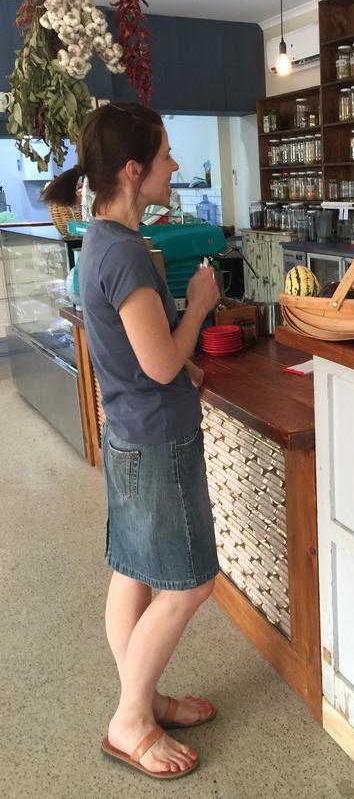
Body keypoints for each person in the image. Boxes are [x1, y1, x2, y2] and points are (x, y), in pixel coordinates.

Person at [43, 103, 221, 780]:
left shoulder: (102, 242)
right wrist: (200, 303)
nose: (175, 166)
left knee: (135, 570)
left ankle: (140, 700)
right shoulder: (127, 252)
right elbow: (161, 365)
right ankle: (130, 719)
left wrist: (182, 358)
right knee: (189, 584)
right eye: (167, 155)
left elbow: (139, 353)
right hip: (156, 440)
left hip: (128, 432)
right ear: (132, 170)